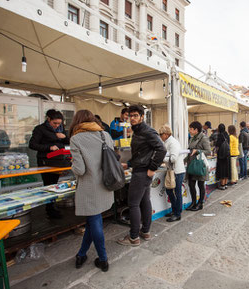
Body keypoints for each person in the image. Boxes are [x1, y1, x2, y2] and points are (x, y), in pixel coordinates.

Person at [69, 109, 113, 272]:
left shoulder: (76, 139)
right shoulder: (105, 135)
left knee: (94, 221)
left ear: (77, 122)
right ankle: (81, 254)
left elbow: (79, 170)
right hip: (105, 184)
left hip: (89, 187)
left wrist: (71, 164)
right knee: (92, 221)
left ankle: (103, 259)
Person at [117, 105, 167, 246]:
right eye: (130, 116)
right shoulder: (138, 131)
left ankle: (133, 237)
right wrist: (129, 164)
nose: (132, 118)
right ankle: (145, 231)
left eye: (135, 115)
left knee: (133, 204)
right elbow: (141, 153)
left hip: (143, 172)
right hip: (140, 170)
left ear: (141, 117)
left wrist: (152, 168)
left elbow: (161, 149)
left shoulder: (147, 131)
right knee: (144, 201)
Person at [29, 109, 69, 219]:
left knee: (55, 184)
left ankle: (52, 206)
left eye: (59, 123)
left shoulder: (61, 129)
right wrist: (49, 147)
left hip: (58, 160)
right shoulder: (40, 129)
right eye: (54, 123)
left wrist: (64, 137)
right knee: (48, 184)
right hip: (45, 161)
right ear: (48, 119)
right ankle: (50, 209)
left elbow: (68, 142)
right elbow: (32, 144)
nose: (57, 125)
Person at [159, 124, 185, 222]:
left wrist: (161, 158)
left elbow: (173, 158)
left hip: (177, 171)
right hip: (171, 170)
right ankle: (175, 210)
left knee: (177, 192)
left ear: (166, 134)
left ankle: (177, 214)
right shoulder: (167, 142)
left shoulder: (173, 143)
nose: (160, 136)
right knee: (170, 190)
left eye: (161, 134)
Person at [185, 121, 211, 210]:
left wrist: (198, 151)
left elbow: (208, 151)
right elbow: (190, 151)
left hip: (200, 165)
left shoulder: (204, 138)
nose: (189, 131)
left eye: (191, 129)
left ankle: (200, 203)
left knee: (200, 184)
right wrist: (184, 160)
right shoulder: (192, 138)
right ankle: (193, 202)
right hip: (191, 165)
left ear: (196, 130)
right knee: (191, 184)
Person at [215, 124, 230, 190]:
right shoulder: (227, 134)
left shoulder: (220, 135)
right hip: (227, 154)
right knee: (226, 169)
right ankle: (226, 184)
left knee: (222, 169)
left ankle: (222, 184)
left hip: (221, 155)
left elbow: (217, 144)